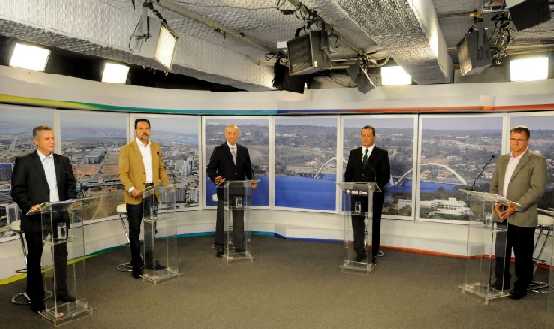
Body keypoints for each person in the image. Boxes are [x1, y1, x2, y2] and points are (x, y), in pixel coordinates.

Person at [10, 125, 76, 314]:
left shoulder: (63, 161)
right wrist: (29, 206)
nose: (52, 141)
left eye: (53, 138)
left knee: (61, 255)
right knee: (35, 257)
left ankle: (62, 292)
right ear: (36, 141)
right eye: (47, 139)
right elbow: (17, 190)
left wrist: (68, 201)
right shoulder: (24, 162)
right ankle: (36, 298)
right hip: (36, 218)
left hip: (59, 215)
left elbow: (71, 184)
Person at [491, 125, 547, 299]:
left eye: (519, 139)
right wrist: (496, 206)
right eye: (513, 139)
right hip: (501, 214)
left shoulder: (536, 161)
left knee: (523, 255)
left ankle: (521, 286)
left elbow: (537, 189)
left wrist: (514, 207)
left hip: (523, 216)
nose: (515, 143)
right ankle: (501, 281)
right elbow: (494, 186)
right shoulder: (502, 160)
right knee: (501, 251)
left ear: (527, 141)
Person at [119, 119, 170, 279]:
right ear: (135, 130)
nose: (144, 131)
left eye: (147, 128)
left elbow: (161, 168)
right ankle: (136, 264)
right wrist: (131, 189)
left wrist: (167, 186)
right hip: (135, 196)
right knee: (135, 231)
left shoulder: (156, 147)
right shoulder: (126, 150)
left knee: (151, 230)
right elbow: (123, 174)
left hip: (152, 194)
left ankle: (149, 261)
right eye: (141, 128)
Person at [344, 125, 390, 263]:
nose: (365, 138)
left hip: (374, 197)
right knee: (357, 223)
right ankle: (359, 252)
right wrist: (350, 187)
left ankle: (373, 253)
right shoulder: (354, 153)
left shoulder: (382, 154)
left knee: (374, 224)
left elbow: (385, 176)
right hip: (357, 196)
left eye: (368, 135)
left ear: (373, 137)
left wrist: (373, 188)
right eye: (363, 135)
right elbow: (348, 175)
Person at [207, 124, 254, 257]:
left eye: (234, 133)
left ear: (238, 135)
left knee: (239, 218)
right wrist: (216, 179)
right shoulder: (218, 150)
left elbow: (249, 170)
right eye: (229, 133)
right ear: (225, 135)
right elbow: (210, 169)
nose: (232, 136)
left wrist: (252, 180)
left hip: (239, 190)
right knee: (221, 218)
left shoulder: (244, 150)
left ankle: (239, 245)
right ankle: (220, 246)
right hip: (224, 190)